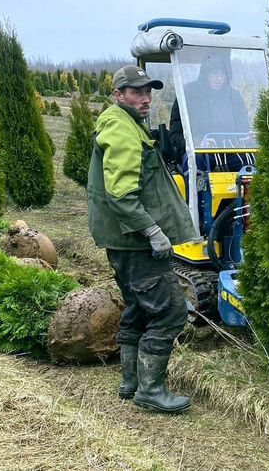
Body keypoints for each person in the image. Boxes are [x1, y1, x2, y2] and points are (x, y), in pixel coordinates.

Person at [87, 65, 198, 414]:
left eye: (148, 91)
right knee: (170, 312)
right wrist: (152, 231)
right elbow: (121, 194)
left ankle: (131, 382)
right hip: (135, 243)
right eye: (136, 92)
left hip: (124, 242)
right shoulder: (120, 127)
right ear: (118, 95)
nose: (145, 98)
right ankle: (151, 390)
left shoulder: (127, 123)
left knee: (137, 308)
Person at [168, 53, 253, 168]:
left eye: (223, 74)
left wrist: (247, 137)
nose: (219, 78)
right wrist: (198, 144)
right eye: (215, 73)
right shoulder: (187, 94)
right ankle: (197, 186)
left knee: (250, 161)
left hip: (230, 152)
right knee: (193, 162)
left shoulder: (234, 96)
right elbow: (174, 135)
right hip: (199, 153)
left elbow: (243, 127)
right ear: (205, 74)